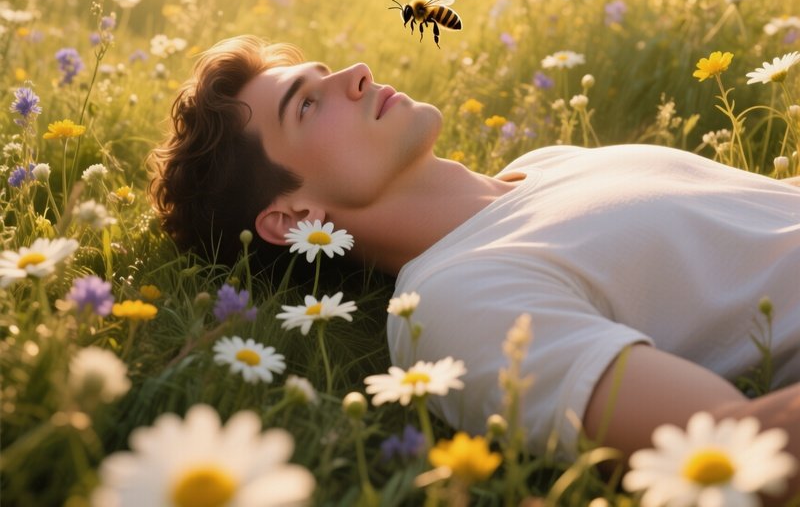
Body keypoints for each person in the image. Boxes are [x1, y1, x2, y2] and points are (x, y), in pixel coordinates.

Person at [148, 35, 800, 496]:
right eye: (307, 103)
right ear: (290, 220)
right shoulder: (455, 300)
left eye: (328, 73)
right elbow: (737, 452)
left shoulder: (550, 161)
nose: (357, 73)